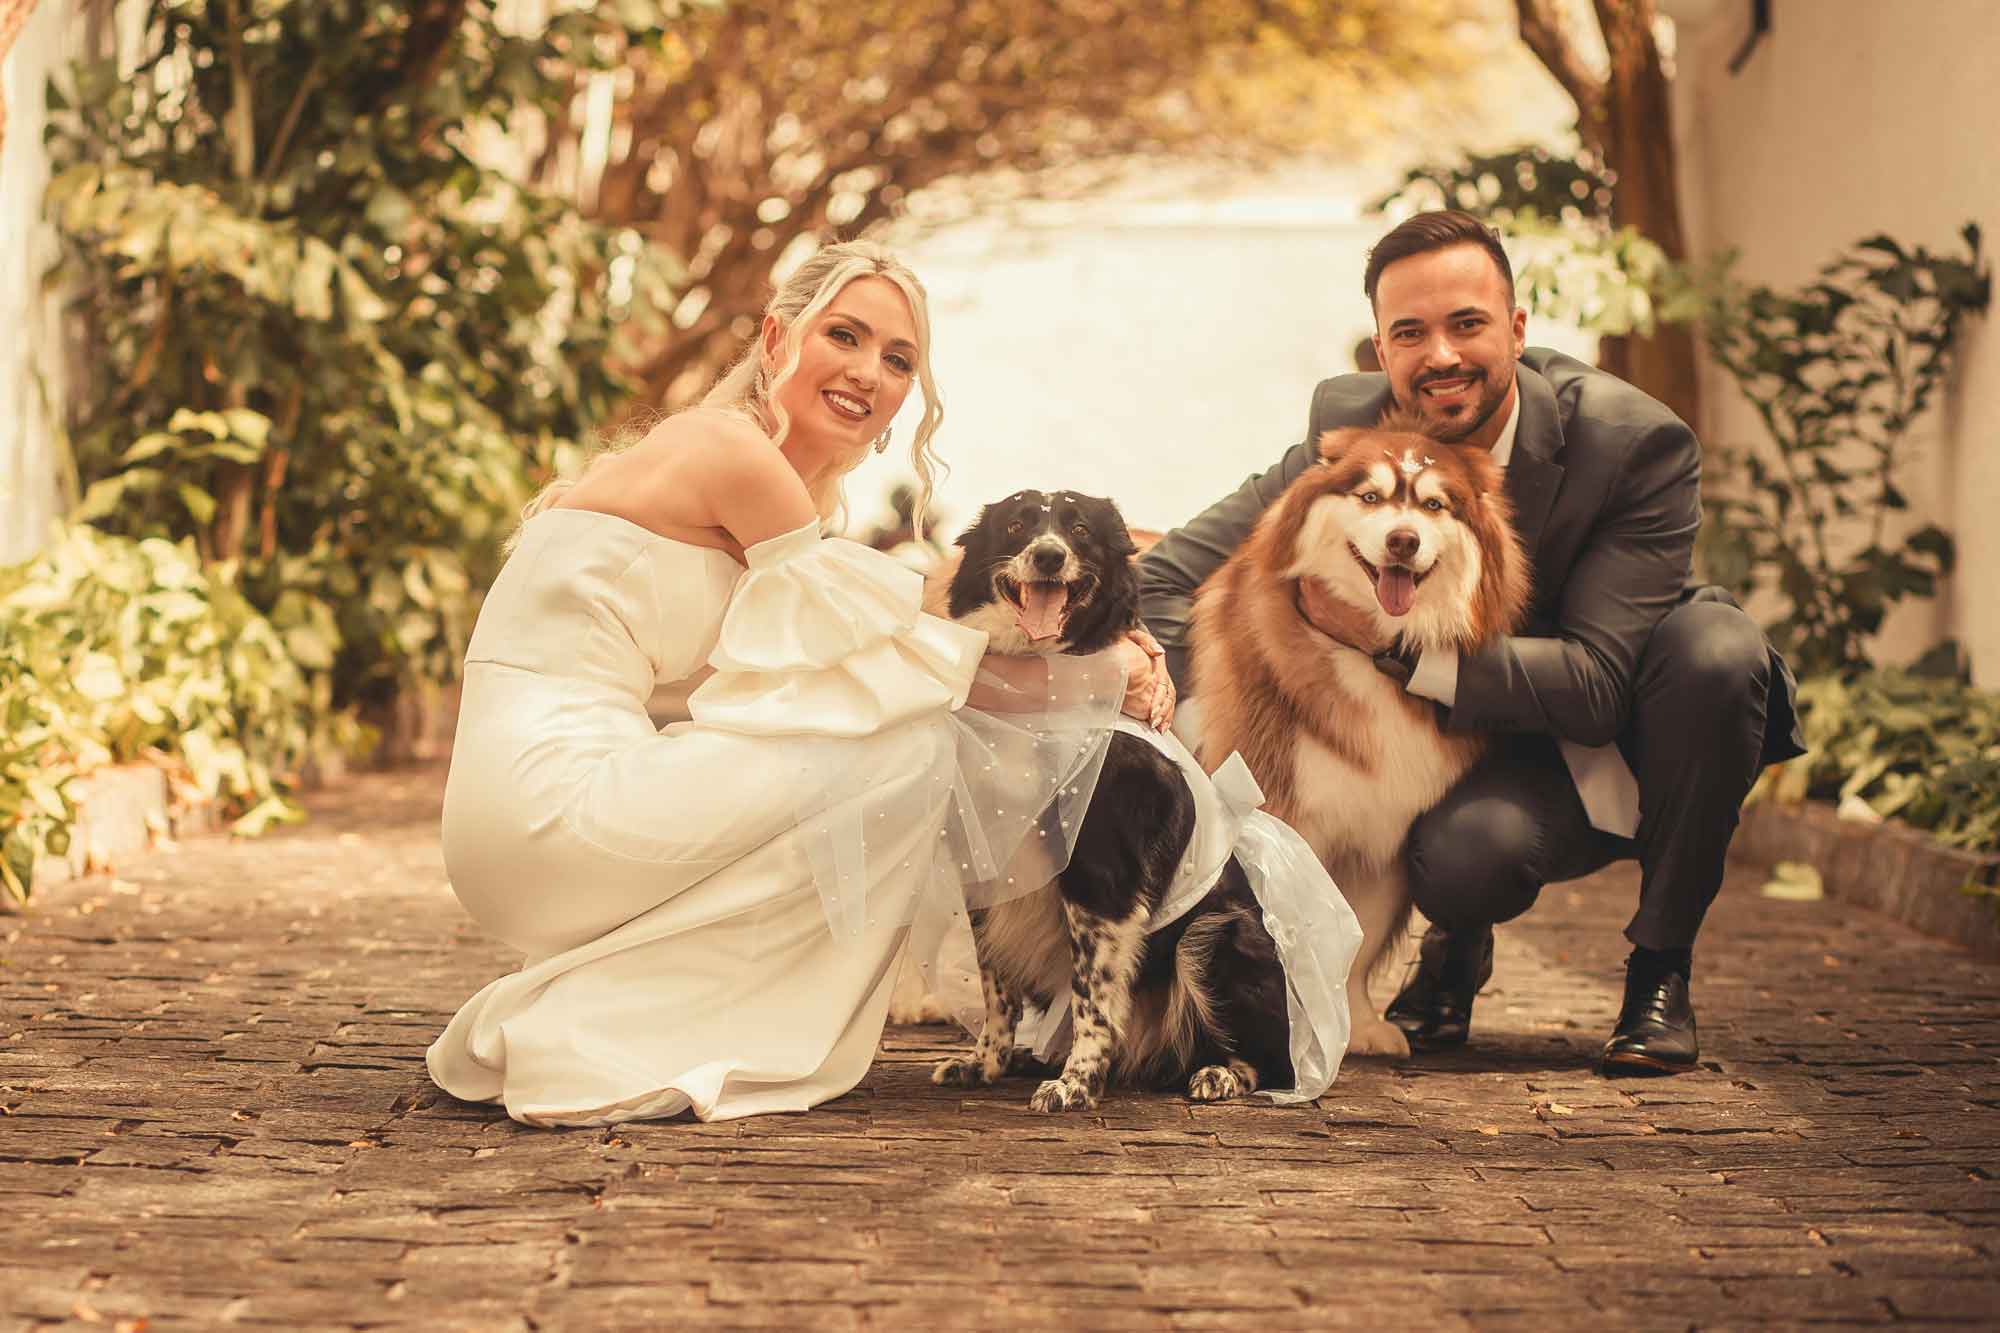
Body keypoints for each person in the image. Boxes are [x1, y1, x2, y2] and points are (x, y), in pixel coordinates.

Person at [426, 240, 1172, 1126]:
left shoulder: (748, 475)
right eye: (844, 336)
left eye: (898, 359)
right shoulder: (732, 454)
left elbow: (909, 617)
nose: (868, 371)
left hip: (521, 818)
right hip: (549, 808)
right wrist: (1105, 675)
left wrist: (1108, 630)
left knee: (868, 714)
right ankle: (680, 1027)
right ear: (777, 340)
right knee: (908, 736)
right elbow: (924, 664)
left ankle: (618, 1015)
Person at [1139, 210, 1805, 1076]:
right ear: (1381, 350)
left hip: (1616, 725)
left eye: (1467, 324)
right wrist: (1195, 713)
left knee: (1719, 651)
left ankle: (1660, 971)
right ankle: (1456, 945)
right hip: (1463, 737)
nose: (1441, 355)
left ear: (1517, 331)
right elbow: (1170, 577)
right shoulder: (1352, 427)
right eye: (1410, 333)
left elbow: (1598, 684)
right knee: (1461, 861)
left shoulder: (1632, 440)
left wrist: (1392, 647)